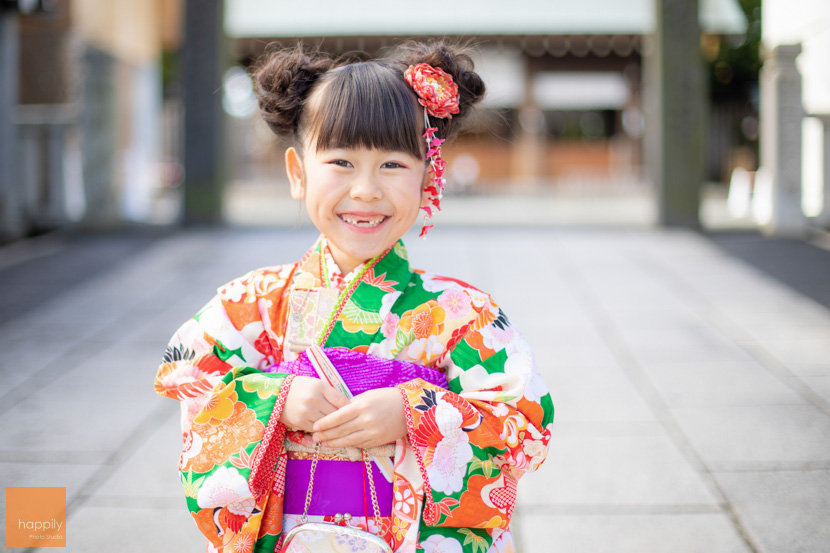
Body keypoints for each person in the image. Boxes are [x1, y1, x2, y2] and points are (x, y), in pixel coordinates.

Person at [154, 40, 554, 553]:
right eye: (341, 162)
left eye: (392, 165)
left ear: (428, 177)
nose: (366, 190)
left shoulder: (462, 313)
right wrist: (273, 400)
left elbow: (525, 421)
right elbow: (187, 377)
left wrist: (416, 413)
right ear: (298, 173)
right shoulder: (252, 302)